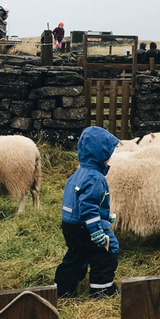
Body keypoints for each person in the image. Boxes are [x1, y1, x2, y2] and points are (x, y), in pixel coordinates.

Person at [55, 126, 121, 299]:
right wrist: (96, 229)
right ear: (100, 153)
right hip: (85, 225)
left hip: (70, 224)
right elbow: (88, 206)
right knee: (107, 251)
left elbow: (79, 202)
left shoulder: (77, 174)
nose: (110, 156)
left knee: (76, 253)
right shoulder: (95, 178)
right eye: (108, 152)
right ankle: (103, 289)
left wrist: (105, 216)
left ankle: (63, 289)